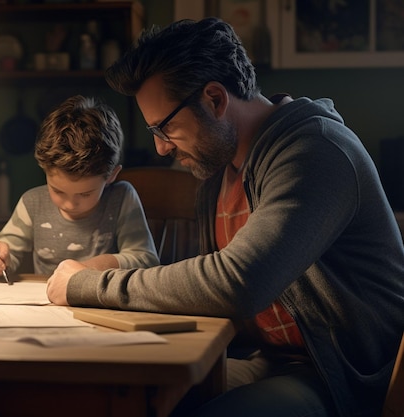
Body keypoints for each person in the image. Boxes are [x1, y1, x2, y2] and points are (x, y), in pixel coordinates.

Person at [46, 18, 404, 417]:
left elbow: (238, 282)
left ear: (215, 98)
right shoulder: (217, 168)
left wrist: (85, 284)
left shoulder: (315, 152)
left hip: (343, 379)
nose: (161, 148)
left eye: (165, 127)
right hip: (267, 361)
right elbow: (211, 286)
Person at [0, 95, 159, 277]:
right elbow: (6, 254)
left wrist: (94, 267)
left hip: (102, 302)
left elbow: (147, 260)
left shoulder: (122, 198)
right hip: (47, 303)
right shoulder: (32, 202)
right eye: (57, 190)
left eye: (85, 194)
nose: (70, 204)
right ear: (44, 170)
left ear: (111, 175)